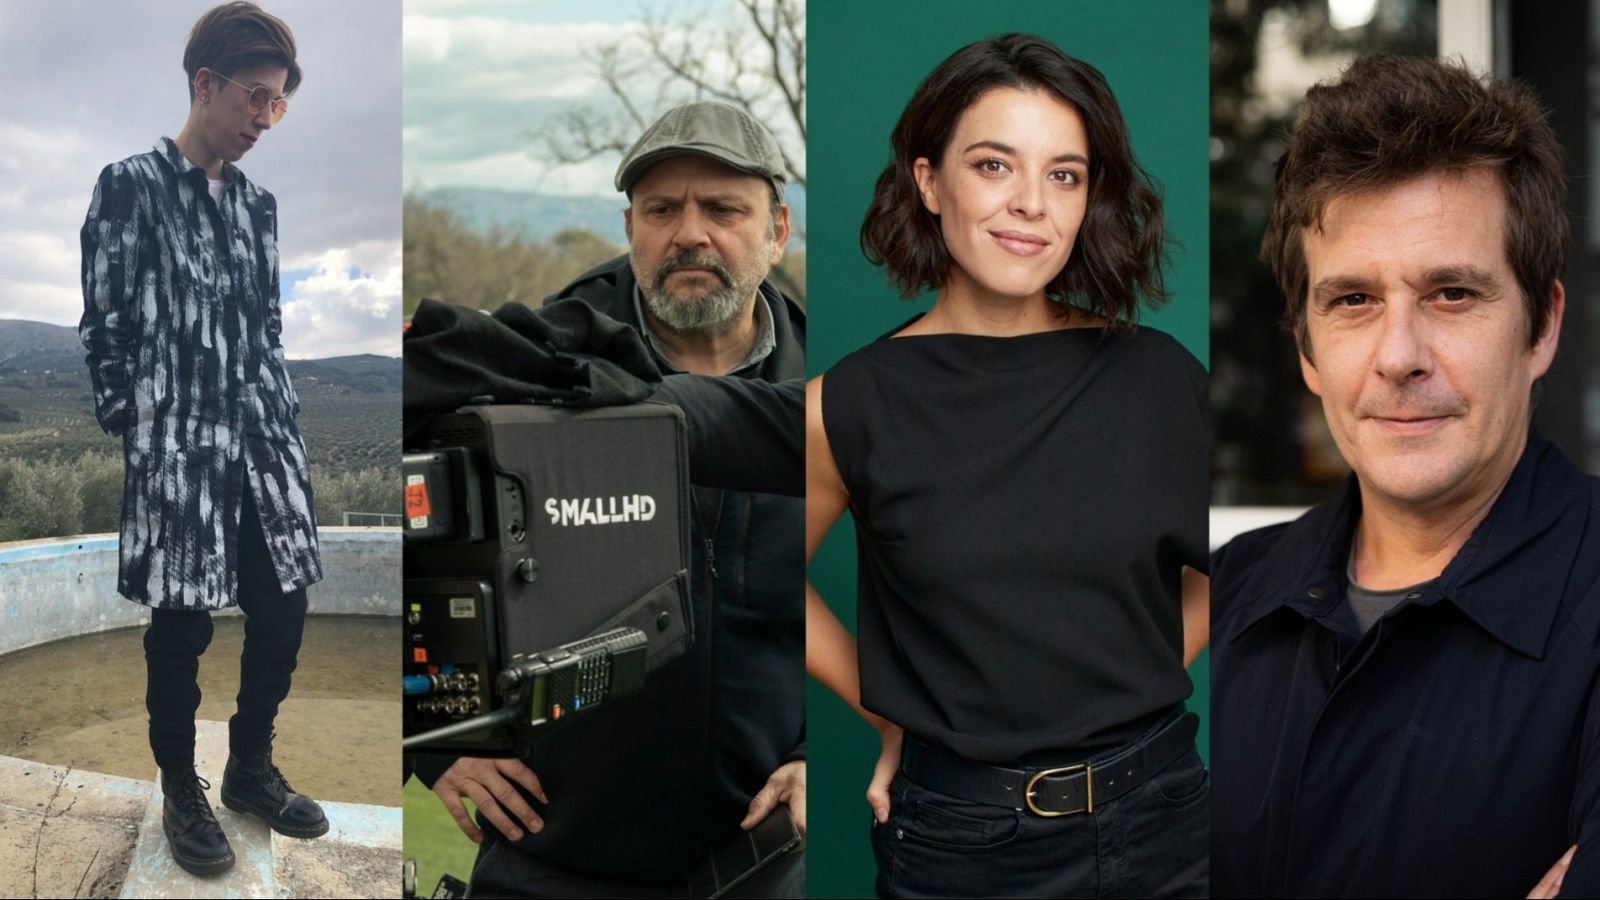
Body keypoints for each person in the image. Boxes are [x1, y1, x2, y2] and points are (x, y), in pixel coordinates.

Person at [807, 34, 1210, 898]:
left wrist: (1114, 686)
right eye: (995, 165)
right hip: (960, 846)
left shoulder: (1161, 377)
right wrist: (891, 715)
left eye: (1064, 175)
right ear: (928, 181)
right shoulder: (845, 405)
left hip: (1167, 819)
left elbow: (1239, 571)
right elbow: (761, 571)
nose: (1032, 203)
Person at [1210, 55, 1600, 898]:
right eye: (1352, 300)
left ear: (1542, 328)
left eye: (1452, 293)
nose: (1398, 358)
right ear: (1306, 348)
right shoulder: (1227, 599)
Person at [412, 100, 806, 898]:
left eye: (725, 209)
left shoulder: (836, 387)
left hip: (767, 860)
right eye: (663, 210)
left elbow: (910, 603)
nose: (691, 233)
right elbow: (411, 553)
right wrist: (425, 738)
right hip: (555, 856)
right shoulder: (530, 374)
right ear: (631, 227)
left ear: (777, 231)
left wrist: (827, 759)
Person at [77, 1, 325, 879]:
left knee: (284, 605)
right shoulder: (129, 185)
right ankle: (181, 787)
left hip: (262, 447)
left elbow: (265, 325)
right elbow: (103, 328)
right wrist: (140, 430)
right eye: (254, 97)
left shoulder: (259, 207)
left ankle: (248, 770)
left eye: (278, 105)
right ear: (204, 84)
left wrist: (281, 420)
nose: (264, 119)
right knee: (179, 630)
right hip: (176, 452)